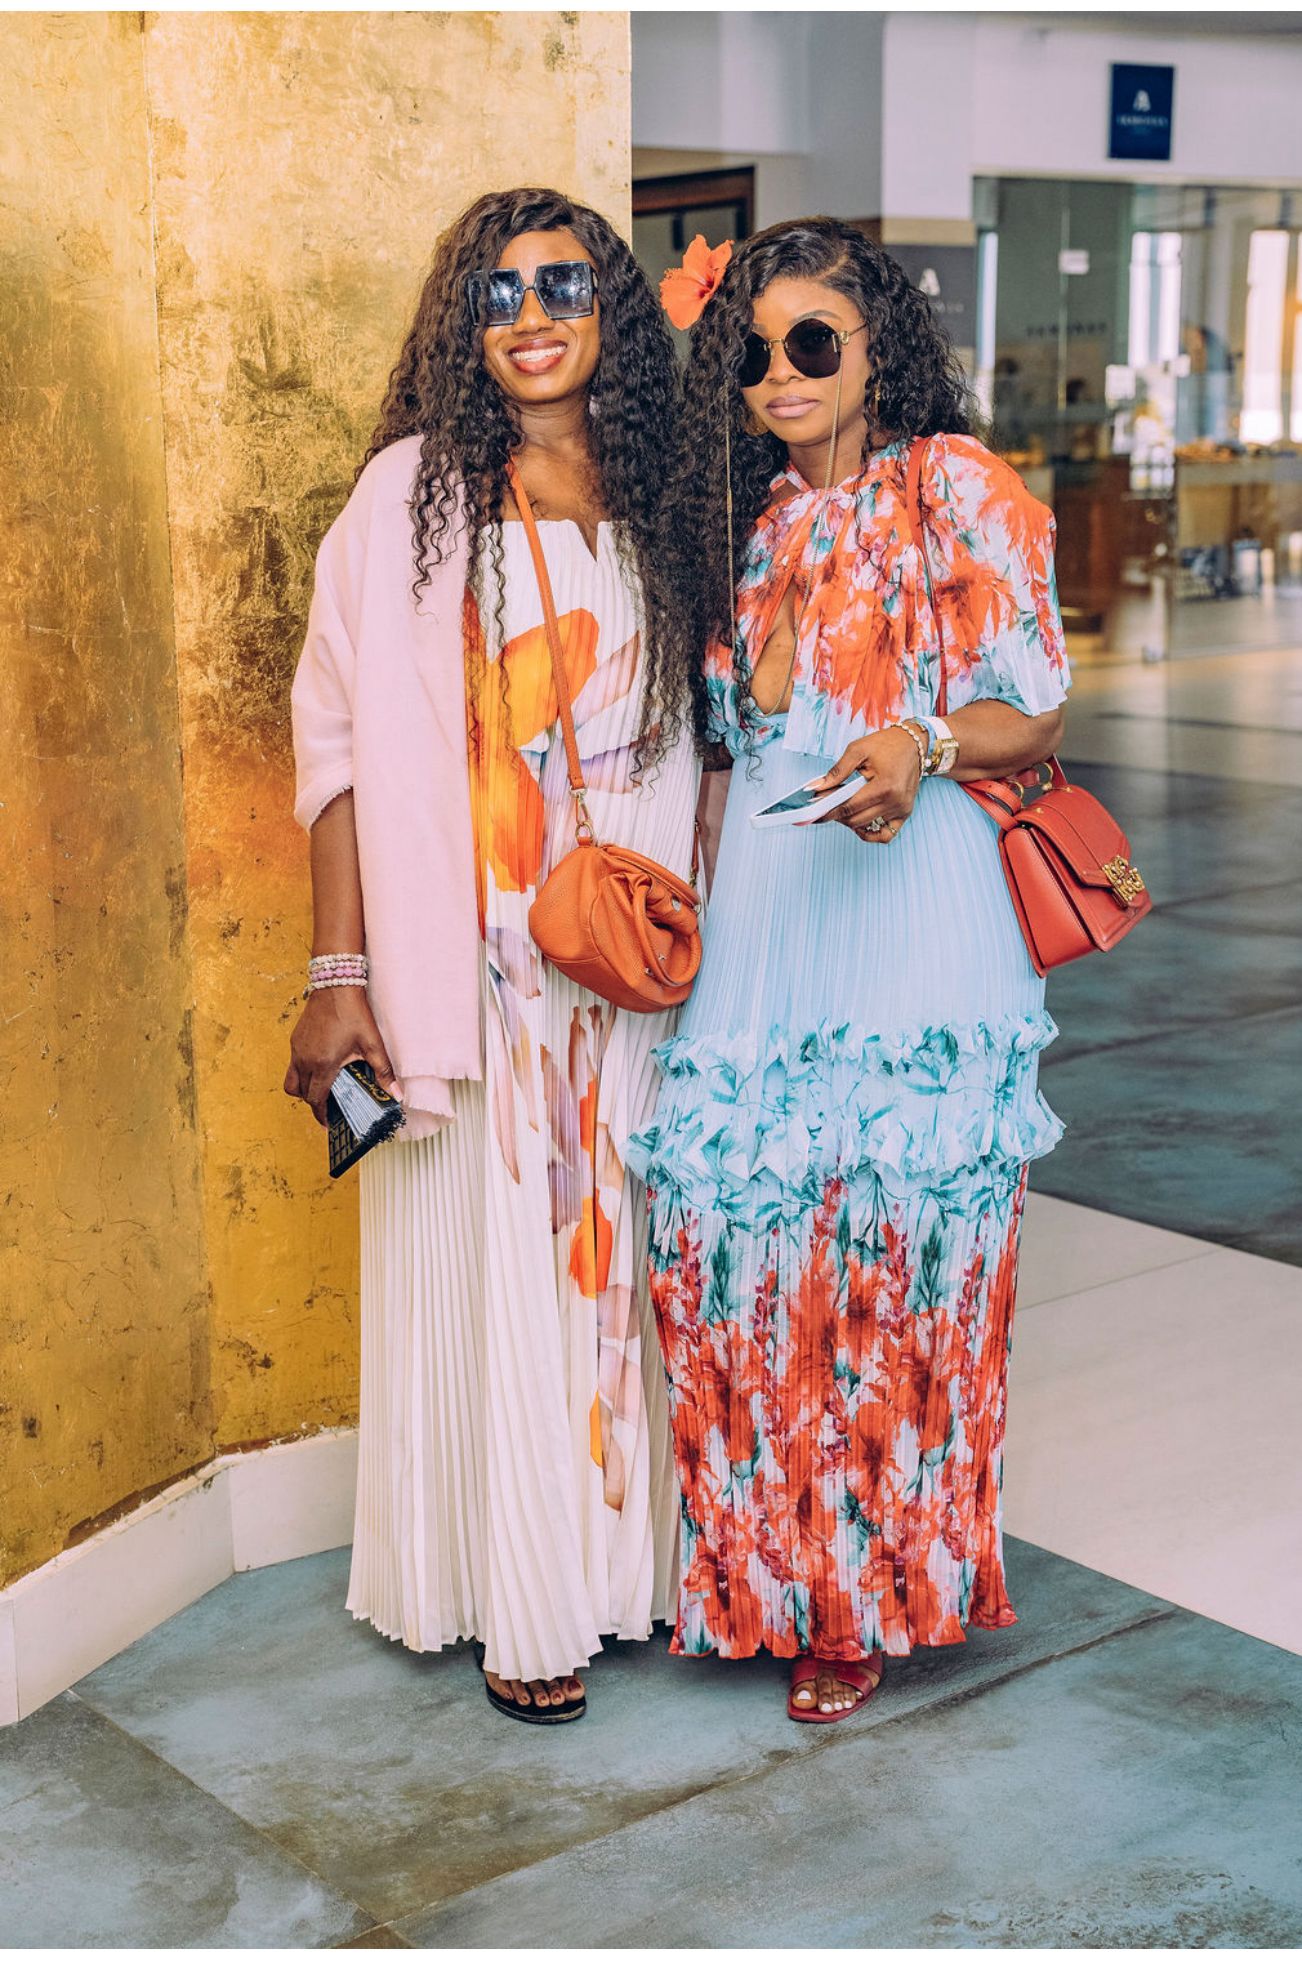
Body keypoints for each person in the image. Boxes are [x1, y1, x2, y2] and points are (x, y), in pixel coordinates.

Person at [630, 217, 1070, 1721]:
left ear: (879, 347)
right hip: (767, 914)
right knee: (735, 1248)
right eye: (752, 353)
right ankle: (764, 1579)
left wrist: (921, 742)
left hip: (918, 912)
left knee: (899, 1255)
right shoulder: (738, 526)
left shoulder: (958, 489)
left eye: (813, 341)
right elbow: (727, 740)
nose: (781, 372)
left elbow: (1034, 709)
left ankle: (866, 1598)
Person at [286, 188, 701, 1724]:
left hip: (637, 954)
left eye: (562, 287)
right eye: (498, 293)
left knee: (622, 1260)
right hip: (480, 962)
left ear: (611, 312)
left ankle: (627, 1570)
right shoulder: (412, 493)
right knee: (508, 1267)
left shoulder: (668, 492)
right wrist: (340, 976)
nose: (531, 318)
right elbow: (334, 743)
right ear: (462, 324)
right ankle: (524, 1597)